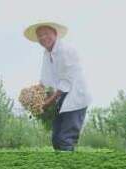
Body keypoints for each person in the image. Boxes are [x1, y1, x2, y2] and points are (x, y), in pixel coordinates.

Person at [24, 21, 92, 151]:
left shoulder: (65, 50)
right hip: (61, 99)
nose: (43, 38)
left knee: (66, 139)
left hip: (75, 98)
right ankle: (62, 168)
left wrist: (48, 101)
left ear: (55, 33)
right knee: (56, 139)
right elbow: (45, 79)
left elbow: (66, 81)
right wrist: (33, 95)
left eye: (46, 34)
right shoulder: (46, 54)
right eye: (40, 36)